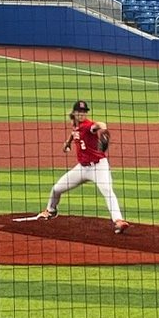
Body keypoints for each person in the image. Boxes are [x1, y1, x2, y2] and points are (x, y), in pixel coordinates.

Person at [38, 100, 129, 234]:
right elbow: (74, 132)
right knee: (57, 189)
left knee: (108, 192)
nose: (82, 114)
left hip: (99, 167)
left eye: (84, 112)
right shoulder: (75, 125)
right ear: (74, 113)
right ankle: (50, 211)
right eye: (79, 111)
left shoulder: (88, 126)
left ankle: (119, 221)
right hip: (82, 168)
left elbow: (98, 125)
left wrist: (103, 129)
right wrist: (67, 143)